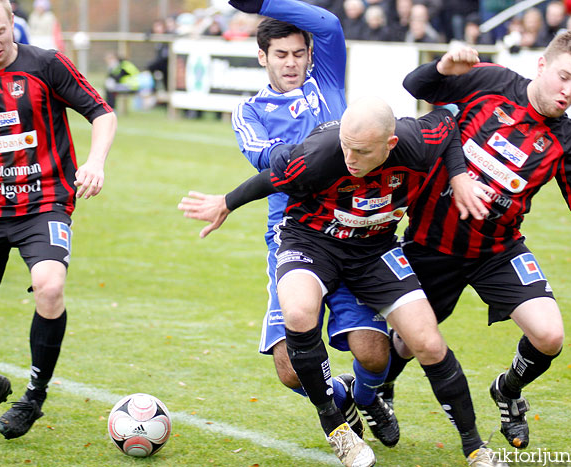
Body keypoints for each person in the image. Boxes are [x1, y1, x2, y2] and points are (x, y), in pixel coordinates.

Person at [179, 96, 505, 467]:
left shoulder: (417, 139)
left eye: (361, 151)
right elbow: (271, 177)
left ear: (390, 144)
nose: (350, 159)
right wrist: (226, 202)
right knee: (299, 314)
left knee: (427, 341)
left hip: (373, 250)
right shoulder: (319, 154)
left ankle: (476, 447)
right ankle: (338, 430)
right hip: (311, 242)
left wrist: (459, 176)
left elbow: (449, 123)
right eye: (346, 147)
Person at [382, 30, 571, 451]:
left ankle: (507, 390)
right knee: (406, 342)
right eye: (563, 77)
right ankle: (382, 388)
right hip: (432, 242)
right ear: (541, 65)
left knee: (549, 335)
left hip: (497, 251)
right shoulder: (491, 81)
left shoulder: (566, 137)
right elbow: (417, 86)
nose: (568, 91)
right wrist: (444, 67)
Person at [219, 0, 398, 449]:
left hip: (351, 229)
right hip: (293, 234)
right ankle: (343, 397)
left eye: (299, 53)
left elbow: (329, 24)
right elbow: (271, 162)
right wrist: (323, 143)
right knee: (287, 369)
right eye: (281, 54)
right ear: (262, 57)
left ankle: (369, 394)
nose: (292, 63)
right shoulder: (250, 111)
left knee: (374, 354)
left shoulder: (327, 80)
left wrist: (262, 4)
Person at [0, 0, 116, 439]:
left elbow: (101, 113)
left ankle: (33, 396)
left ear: (13, 22)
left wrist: (95, 162)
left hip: (44, 202)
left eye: (0, 31)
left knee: (50, 287)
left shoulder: (46, 65)